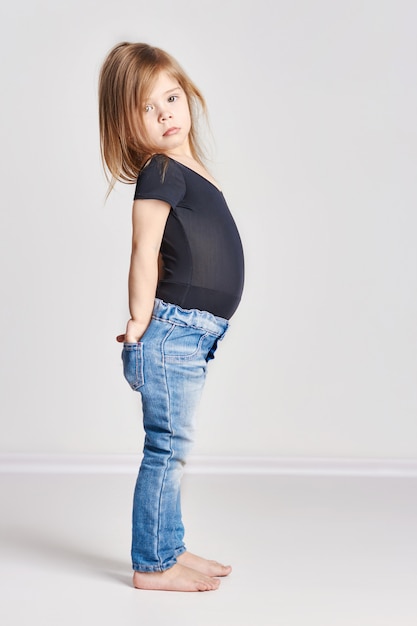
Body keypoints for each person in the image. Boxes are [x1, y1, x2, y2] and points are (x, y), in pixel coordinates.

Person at [98, 42, 244, 592]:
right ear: (127, 124)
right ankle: (152, 565)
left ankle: (170, 547)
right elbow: (145, 249)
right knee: (167, 449)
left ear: (188, 97)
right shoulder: (158, 170)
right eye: (147, 109)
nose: (165, 115)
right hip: (175, 329)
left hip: (195, 334)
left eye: (172, 97)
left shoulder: (188, 167)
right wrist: (139, 322)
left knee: (175, 451)